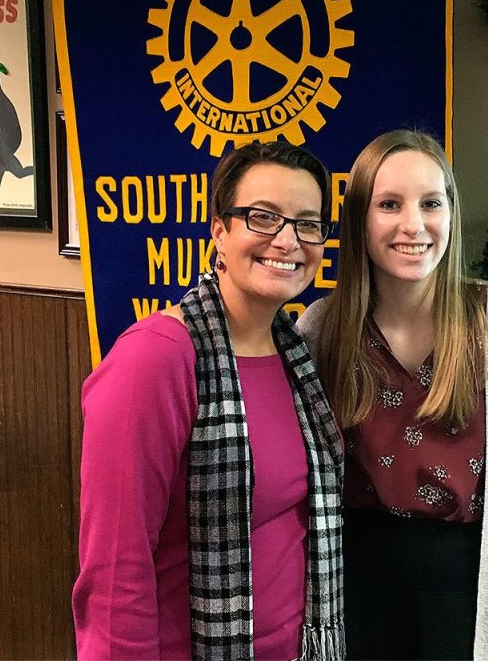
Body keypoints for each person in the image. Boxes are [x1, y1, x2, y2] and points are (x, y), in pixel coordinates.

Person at [297, 130, 488, 661]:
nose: (412, 225)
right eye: (389, 204)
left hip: (470, 587)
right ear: (359, 219)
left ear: (451, 214)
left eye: (431, 203)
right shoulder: (322, 330)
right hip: (356, 590)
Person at [73, 140, 345, 661]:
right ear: (219, 230)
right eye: (263, 217)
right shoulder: (156, 358)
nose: (288, 240)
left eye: (308, 224)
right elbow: (114, 567)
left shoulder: (296, 353)